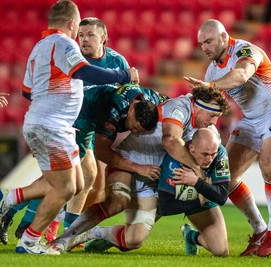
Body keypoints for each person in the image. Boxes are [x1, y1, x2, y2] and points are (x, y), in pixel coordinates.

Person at [0, 0, 138, 255]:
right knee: (66, 187)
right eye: (79, 28)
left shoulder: (39, 47)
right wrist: (122, 76)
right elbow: (84, 71)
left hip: (51, 123)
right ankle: (29, 240)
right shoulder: (64, 44)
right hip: (54, 126)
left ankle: (10, 199)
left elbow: (27, 91)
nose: (80, 36)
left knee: (79, 182)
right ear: (71, 24)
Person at [49, 85, 230, 254]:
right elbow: (171, 140)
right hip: (129, 161)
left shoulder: (205, 130)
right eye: (212, 115)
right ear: (199, 108)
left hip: (154, 177)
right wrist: (198, 171)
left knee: (134, 241)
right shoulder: (180, 108)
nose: (215, 121)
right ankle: (64, 239)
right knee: (116, 201)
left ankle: (98, 234)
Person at [184, 19, 271, 257]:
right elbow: (211, 109)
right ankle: (259, 229)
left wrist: (211, 85)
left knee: (268, 167)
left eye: (209, 41)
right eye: (201, 43)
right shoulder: (212, 69)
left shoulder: (245, 50)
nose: (204, 47)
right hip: (250, 120)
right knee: (228, 176)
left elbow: (242, 75)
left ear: (224, 37)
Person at [157, 128, 231, 257]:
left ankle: (190, 236)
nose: (210, 159)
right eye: (205, 154)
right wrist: (199, 200)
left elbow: (222, 196)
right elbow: (164, 207)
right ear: (192, 149)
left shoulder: (220, 154)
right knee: (135, 237)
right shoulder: (173, 161)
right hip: (168, 196)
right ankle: (110, 236)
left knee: (221, 251)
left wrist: (196, 182)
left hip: (198, 195)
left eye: (212, 154)